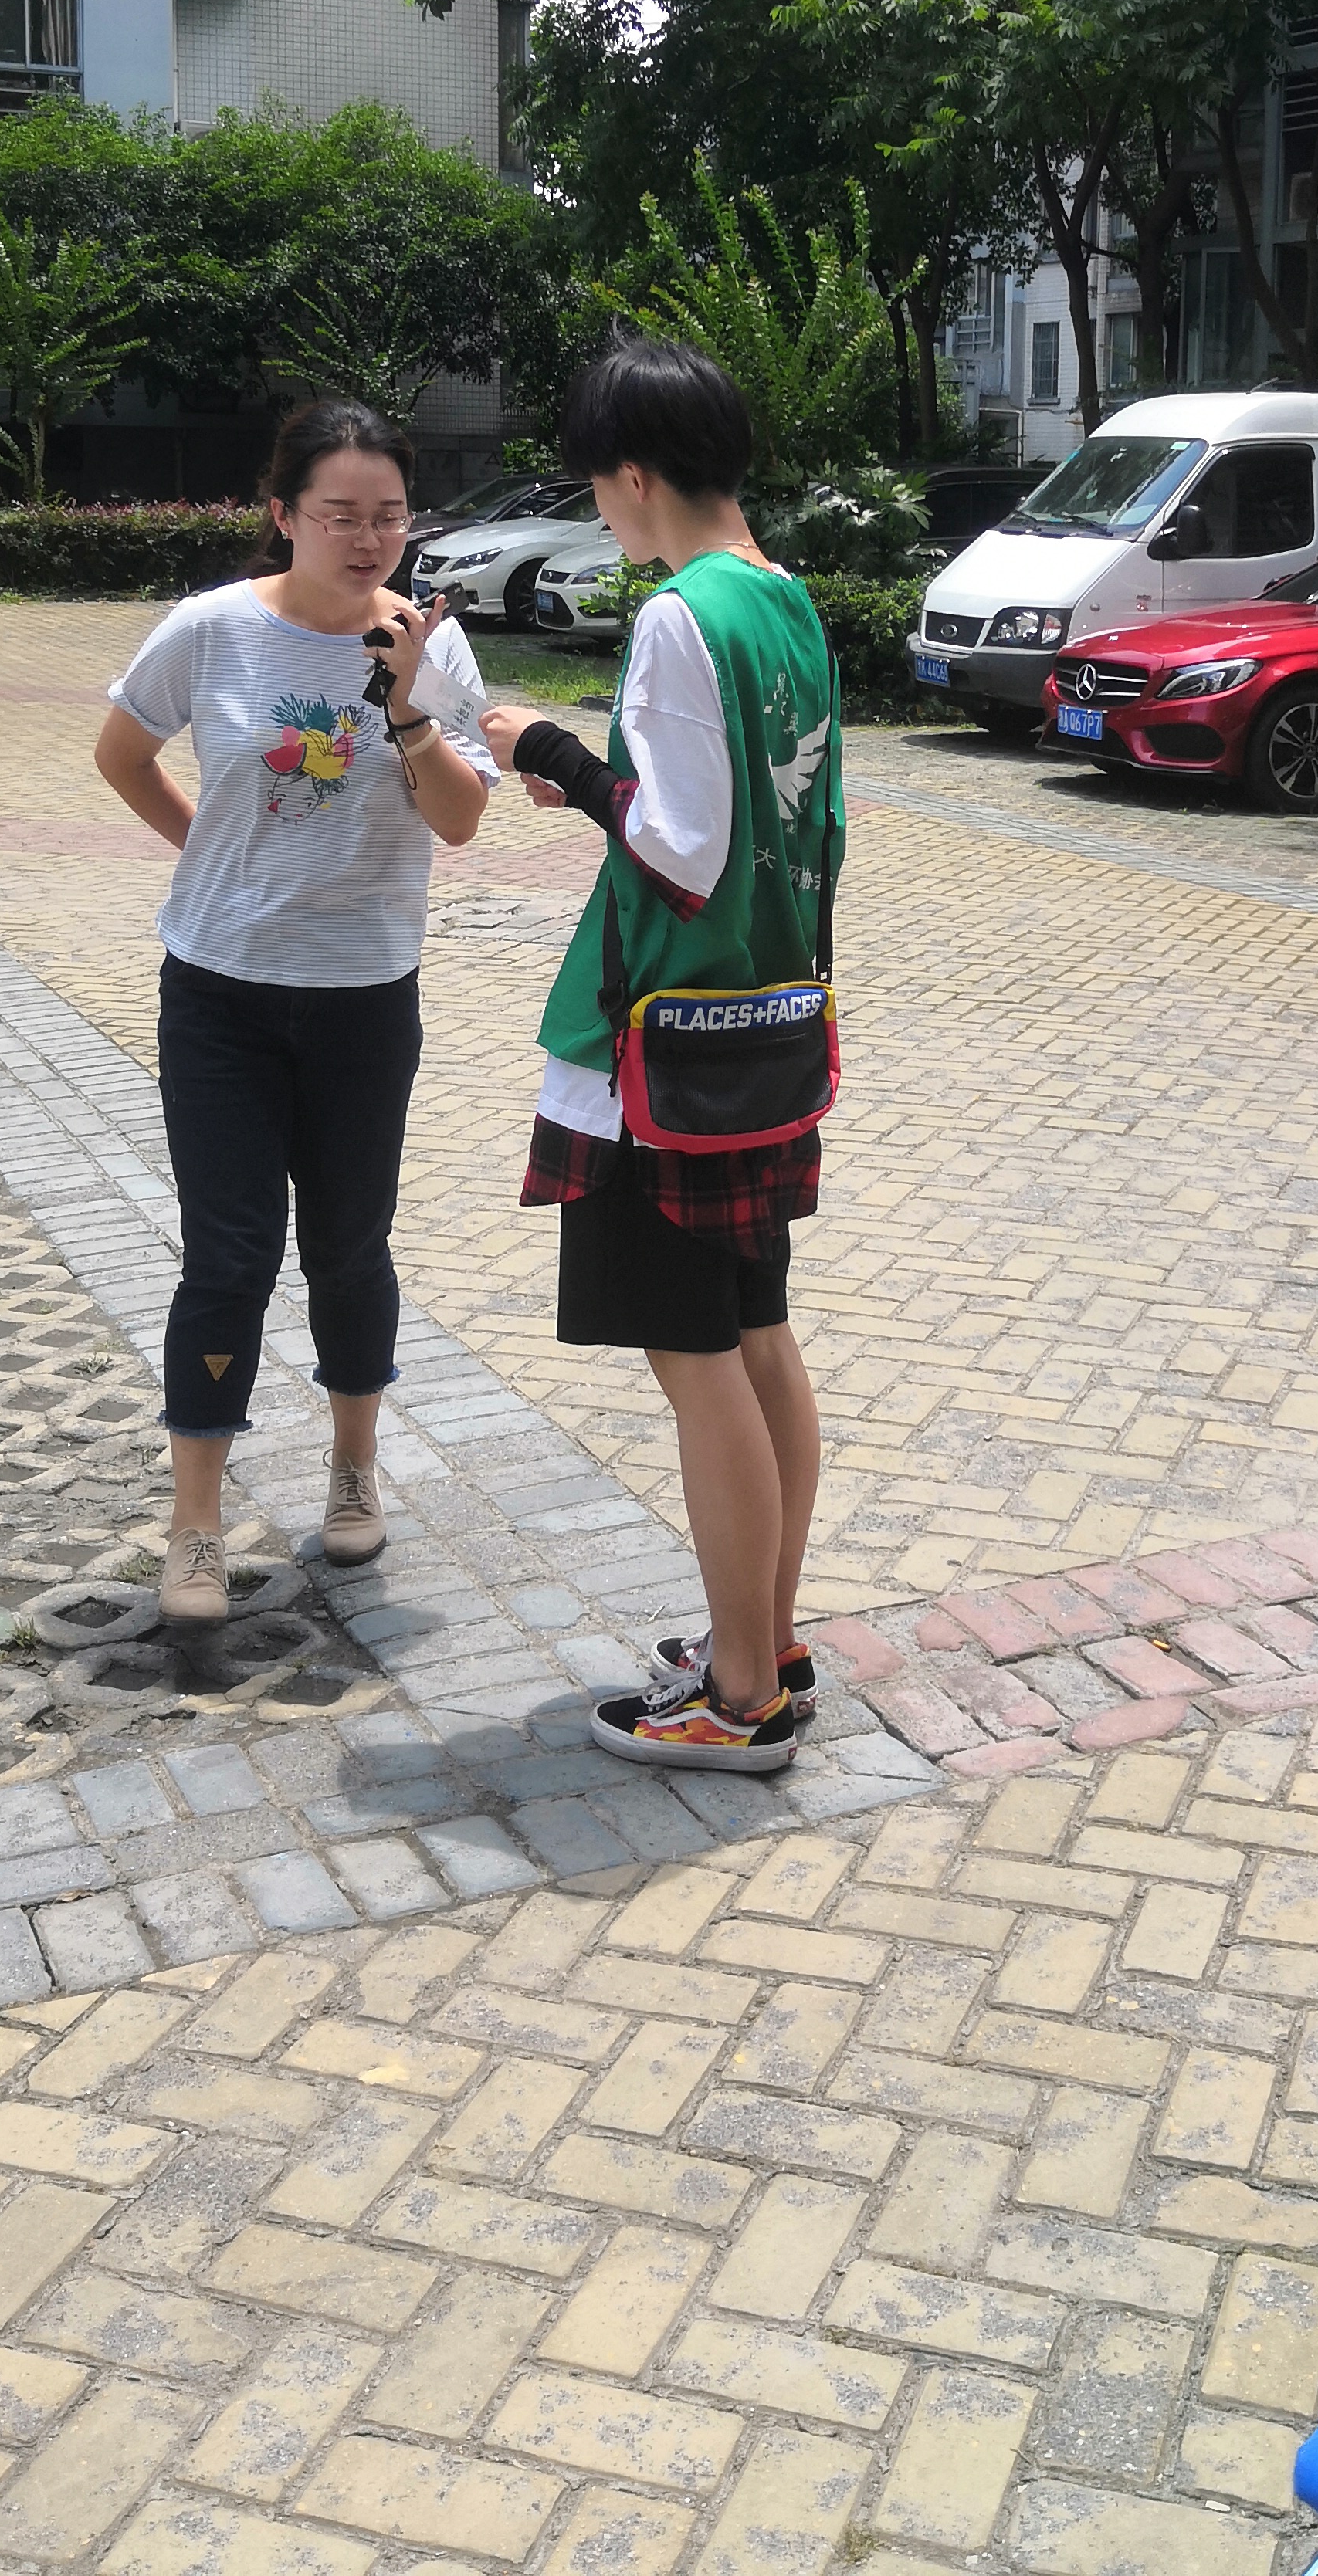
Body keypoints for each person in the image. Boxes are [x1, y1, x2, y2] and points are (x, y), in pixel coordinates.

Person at [479, 338, 840, 1773]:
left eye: (597, 486)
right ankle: (769, 1639)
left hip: (667, 1052)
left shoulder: (683, 614)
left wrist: (552, 755)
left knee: (698, 1363)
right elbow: (791, 828)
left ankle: (740, 1697)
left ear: (633, 475)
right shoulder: (786, 598)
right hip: (769, 1022)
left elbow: (682, 850)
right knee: (756, 1340)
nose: (599, 511)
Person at [93, 397, 493, 1625]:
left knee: (349, 1247)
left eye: (390, 516)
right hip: (219, 997)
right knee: (228, 1257)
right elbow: (120, 754)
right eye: (340, 515)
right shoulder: (211, 629)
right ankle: (196, 1524)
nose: (369, 539)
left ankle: (353, 1467)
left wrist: (408, 705)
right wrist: (208, 857)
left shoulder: (431, 649)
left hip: (364, 997)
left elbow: (461, 820)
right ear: (283, 515)